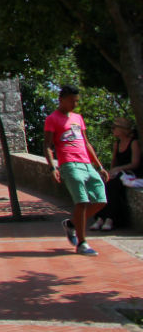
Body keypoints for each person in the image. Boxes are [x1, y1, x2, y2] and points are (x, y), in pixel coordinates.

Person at [45, 85, 109, 255]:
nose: (74, 104)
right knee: (82, 202)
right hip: (69, 163)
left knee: (101, 200)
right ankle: (82, 243)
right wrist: (53, 167)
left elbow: (86, 143)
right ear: (62, 100)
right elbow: (48, 146)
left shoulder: (78, 118)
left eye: (76, 101)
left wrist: (99, 166)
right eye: (72, 101)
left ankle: (71, 224)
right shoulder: (52, 119)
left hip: (87, 164)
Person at [94, 117, 141, 231]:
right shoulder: (117, 143)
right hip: (118, 172)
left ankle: (109, 218)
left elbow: (135, 163)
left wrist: (119, 169)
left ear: (122, 129)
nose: (113, 130)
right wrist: (109, 173)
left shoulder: (133, 143)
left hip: (130, 173)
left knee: (113, 185)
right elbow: (114, 162)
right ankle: (100, 218)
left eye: (115, 128)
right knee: (104, 183)